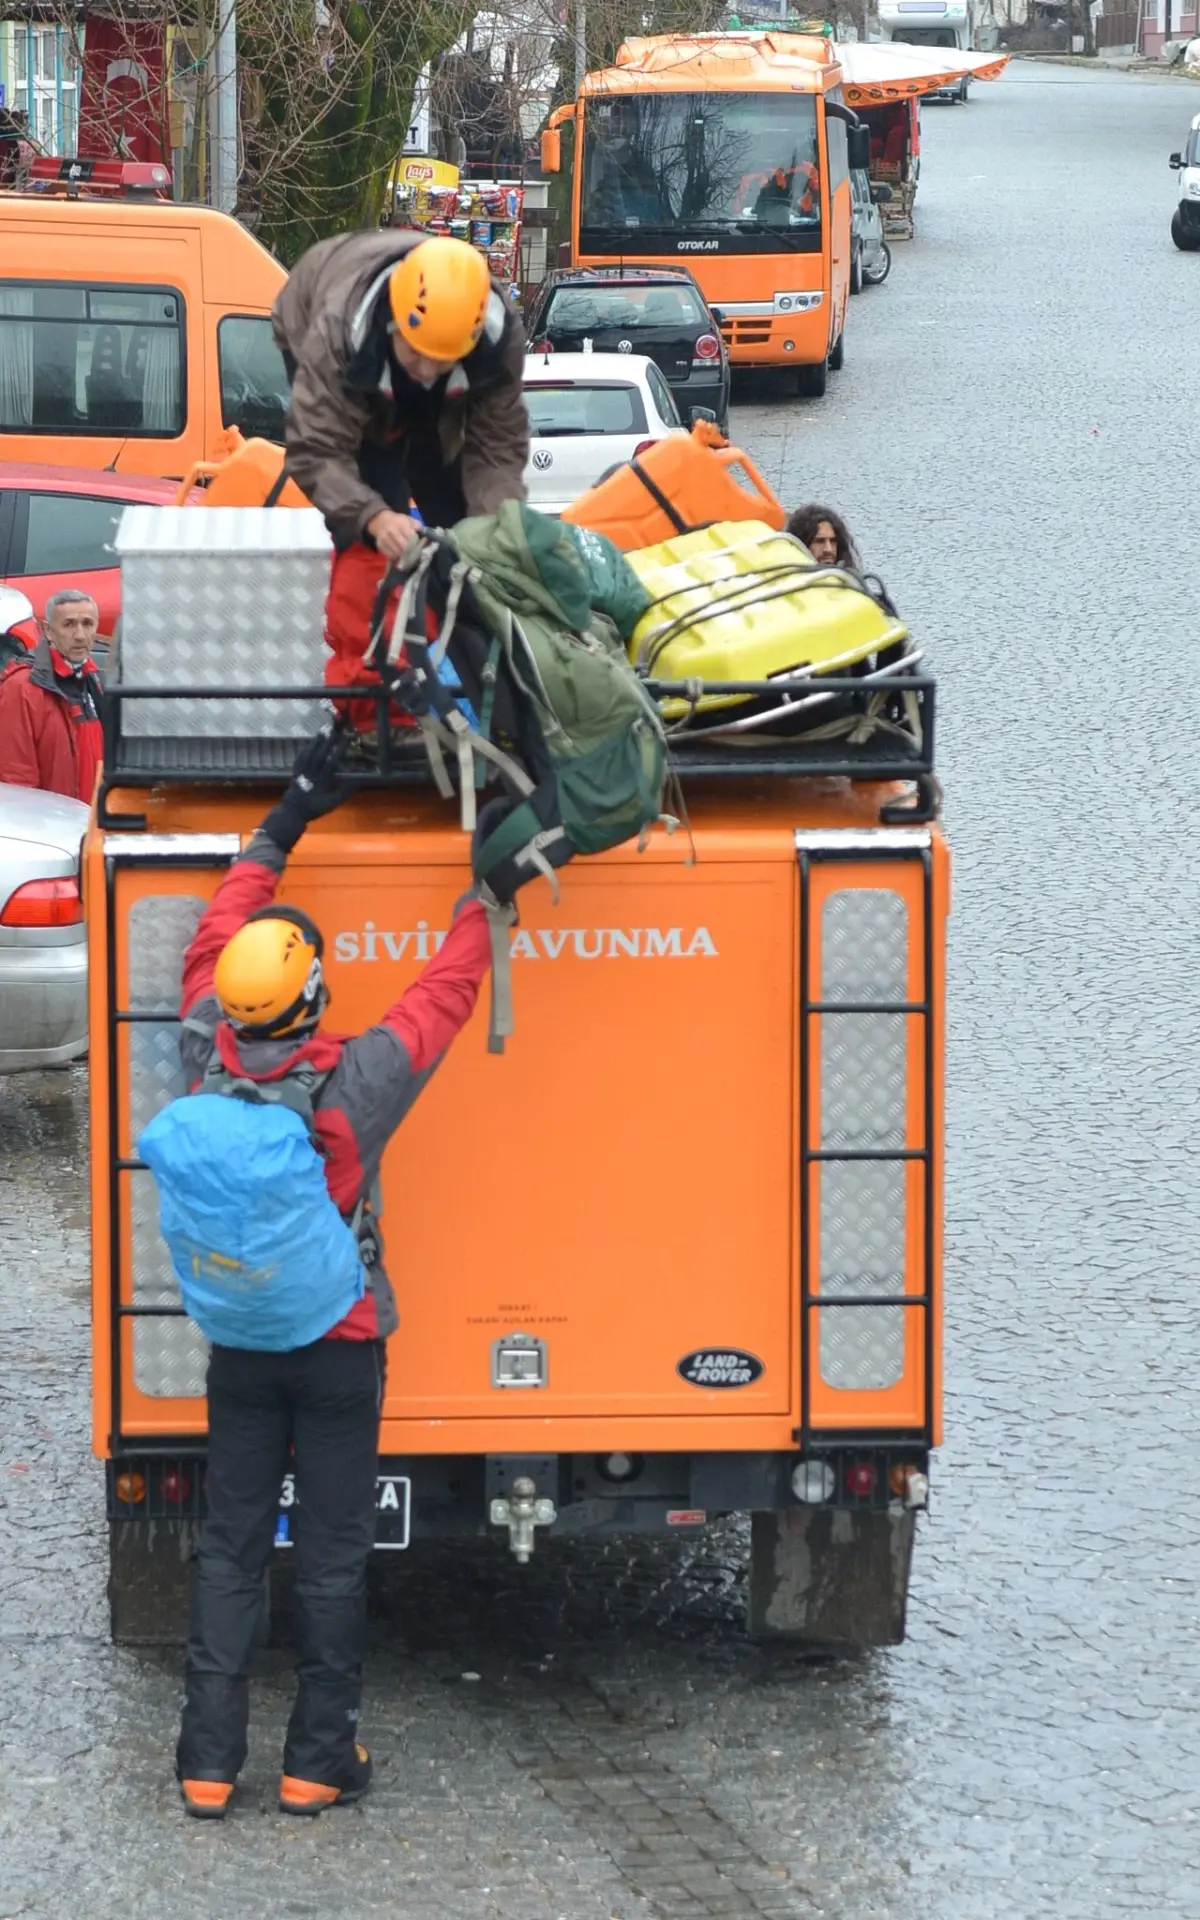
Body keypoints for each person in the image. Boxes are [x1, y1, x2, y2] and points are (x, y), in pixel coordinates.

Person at [172, 726, 530, 1821]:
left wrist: (285, 819)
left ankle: (205, 1764)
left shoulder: (197, 1041)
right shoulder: (355, 1085)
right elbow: (444, 998)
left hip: (237, 1342)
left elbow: (216, 933)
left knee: (232, 1548)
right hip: (338, 1346)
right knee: (329, 1555)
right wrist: (485, 893)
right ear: (314, 998)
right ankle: (318, 1761)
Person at [271, 232, 530, 714]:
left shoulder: (497, 338)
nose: (428, 371)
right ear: (395, 321)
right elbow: (316, 452)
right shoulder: (337, 332)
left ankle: (473, 680)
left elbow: (496, 449)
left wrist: (494, 531)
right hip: (318, 319)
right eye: (418, 355)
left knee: (460, 520)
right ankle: (372, 699)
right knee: (377, 519)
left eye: (442, 359)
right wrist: (372, 518)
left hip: (430, 372)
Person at [0, 588, 103, 800]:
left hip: (91, 823)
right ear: (47, 630)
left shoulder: (91, 680)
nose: (80, 636)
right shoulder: (21, 688)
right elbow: (17, 782)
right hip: (53, 827)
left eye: (88, 624)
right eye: (69, 624)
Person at [786, 505, 860, 571]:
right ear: (801, 544)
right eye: (819, 541)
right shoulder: (785, 583)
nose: (828, 549)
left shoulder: (850, 583)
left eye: (833, 541)